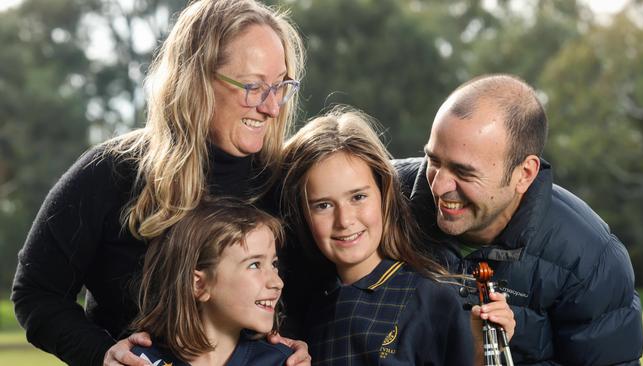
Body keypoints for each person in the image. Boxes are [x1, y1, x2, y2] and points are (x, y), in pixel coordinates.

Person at [11, 1, 311, 365]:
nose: (272, 107)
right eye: (253, 86)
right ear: (196, 79)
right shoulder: (111, 172)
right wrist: (100, 355)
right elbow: (37, 293)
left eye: (281, 87)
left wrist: (300, 342)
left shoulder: (286, 182)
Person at [394, 74, 643, 365]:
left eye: (464, 173)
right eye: (433, 161)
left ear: (524, 174)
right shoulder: (373, 198)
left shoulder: (592, 260)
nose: (438, 186)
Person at [280, 107, 515, 365]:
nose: (344, 221)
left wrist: (482, 352)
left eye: (358, 197)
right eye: (323, 205)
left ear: (384, 193)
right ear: (302, 214)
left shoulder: (432, 298)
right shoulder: (309, 310)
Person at [130, 198, 292, 366]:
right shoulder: (139, 360)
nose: (277, 282)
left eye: (274, 264)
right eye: (254, 265)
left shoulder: (283, 361)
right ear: (198, 284)